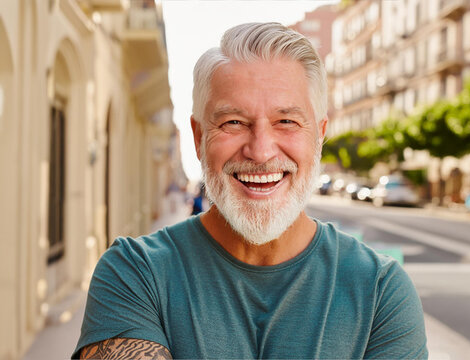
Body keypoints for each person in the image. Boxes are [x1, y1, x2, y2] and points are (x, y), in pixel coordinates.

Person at [73, 23, 428, 359]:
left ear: (319, 136)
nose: (260, 151)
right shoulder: (134, 273)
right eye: (233, 123)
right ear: (199, 138)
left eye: (286, 122)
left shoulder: (380, 292)